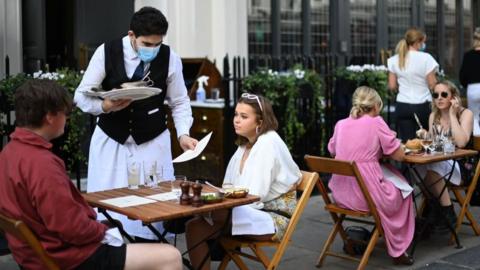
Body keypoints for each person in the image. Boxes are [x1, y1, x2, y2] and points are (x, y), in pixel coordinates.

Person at [0, 79, 182, 270]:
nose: (67, 119)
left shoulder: (9, 153)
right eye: (66, 113)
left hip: (35, 255)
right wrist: (101, 230)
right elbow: (70, 227)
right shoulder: (41, 164)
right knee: (170, 256)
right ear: (50, 117)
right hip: (68, 258)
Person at [74, 6, 197, 240]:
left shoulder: (170, 58)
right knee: (109, 207)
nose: (152, 49)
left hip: (152, 142)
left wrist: (183, 134)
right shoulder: (106, 52)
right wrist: (105, 106)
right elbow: (80, 96)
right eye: (146, 44)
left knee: (154, 205)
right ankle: (113, 255)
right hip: (112, 142)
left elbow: (180, 101)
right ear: (132, 36)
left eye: (157, 44)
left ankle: (154, 255)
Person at [185, 93, 301, 270]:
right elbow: (228, 186)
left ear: (260, 122)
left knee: (207, 212)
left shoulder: (268, 143)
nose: (236, 120)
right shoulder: (245, 145)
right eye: (236, 114)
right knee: (194, 226)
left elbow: (255, 194)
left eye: (244, 116)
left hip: (273, 217)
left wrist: (218, 198)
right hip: (249, 209)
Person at [328, 86, 415, 265]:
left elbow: (332, 150)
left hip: (341, 195)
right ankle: (398, 248)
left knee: (393, 181)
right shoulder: (376, 122)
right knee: (405, 190)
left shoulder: (341, 124)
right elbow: (399, 155)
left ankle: (386, 236)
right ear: (375, 105)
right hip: (365, 196)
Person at [416, 81, 473, 230]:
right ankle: (437, 209)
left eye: (444, 94)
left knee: (432, 165)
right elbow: (435, 146)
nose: (439, 98)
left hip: (461, 165)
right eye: (436, 95)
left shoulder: (465, 114)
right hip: (440, 162)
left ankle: (447, 211)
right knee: (417, 166)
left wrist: (453, 116)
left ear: (453, 97)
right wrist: (426, 136)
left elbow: (461, 143)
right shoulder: (433, 116)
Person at [388, 27, 439, 142]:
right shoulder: (426, 58)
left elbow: (391, 86)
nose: (424, 44)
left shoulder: (394, 59)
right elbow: (432, 84)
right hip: (423, 104)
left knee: (408, 144)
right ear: (418, 42)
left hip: (403, 104)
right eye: (423, 42)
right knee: (428, 141)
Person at [459, 27, 480, 135]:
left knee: (474, 117)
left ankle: (478, 143)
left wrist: (465, 85)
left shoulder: (468, 55)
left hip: (473, 88)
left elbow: (463, 75)